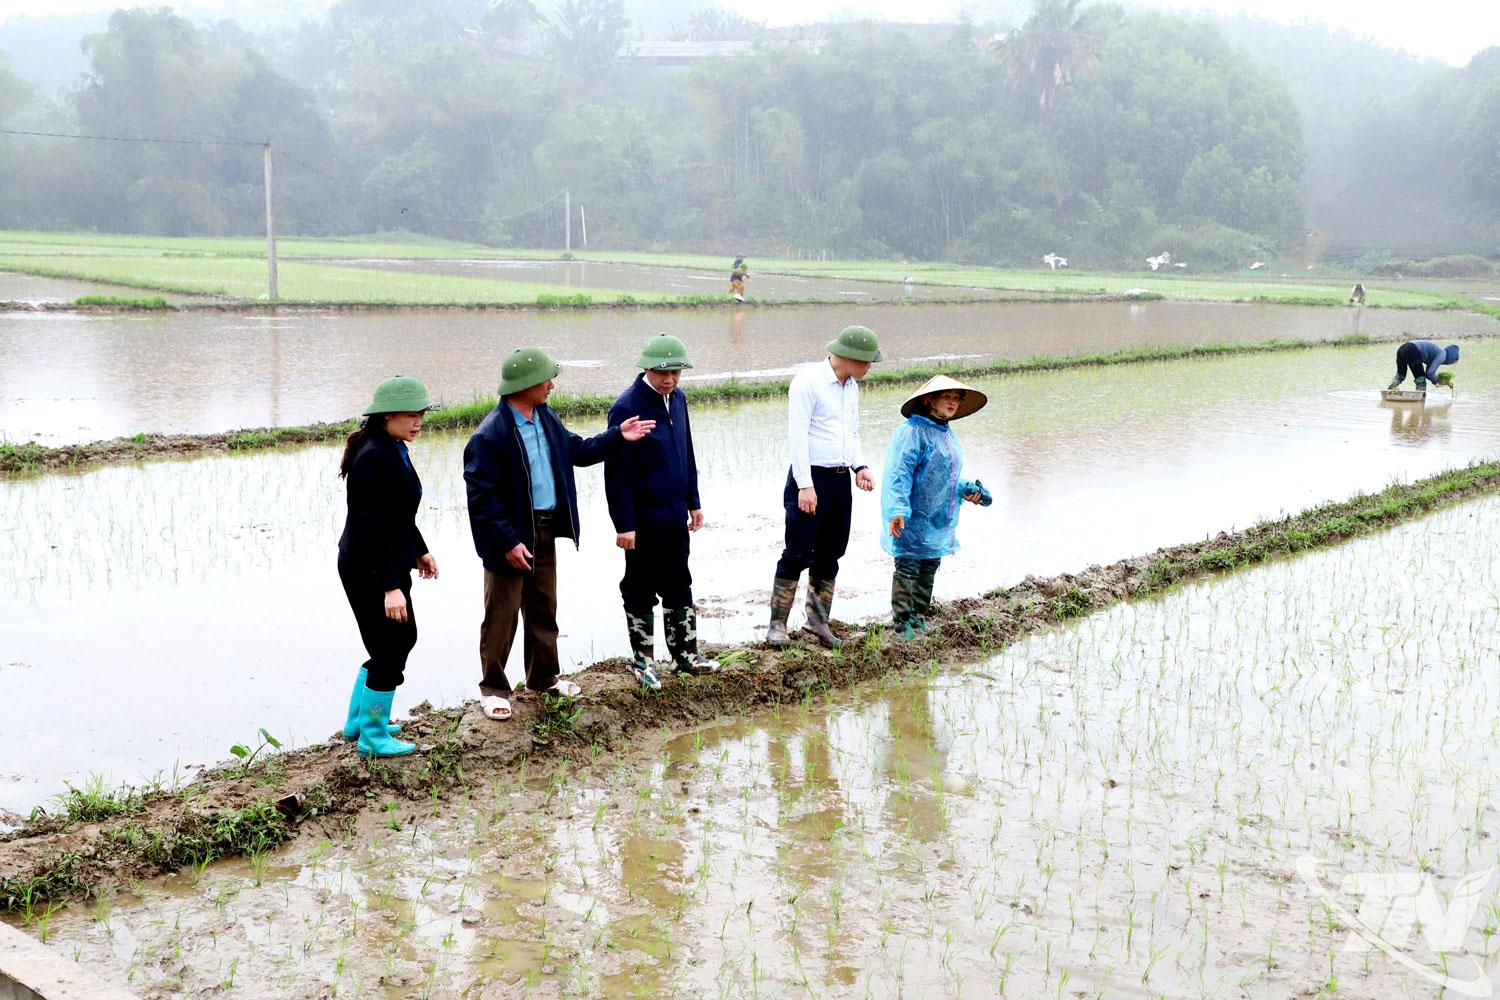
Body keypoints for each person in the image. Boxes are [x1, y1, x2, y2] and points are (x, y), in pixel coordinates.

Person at [464, 347, 656, 721]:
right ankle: (494, 689)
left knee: (543, 606)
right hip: (510, 536)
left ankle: (543, 678)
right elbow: (482, 500)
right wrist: (507, 542)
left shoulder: (544, 417)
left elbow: (578, 451)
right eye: (547, 379)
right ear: (526, 384)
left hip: (544, 529)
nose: (552, 385)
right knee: (502, 615)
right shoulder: (491, 436)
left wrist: (618, 435)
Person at [605, 334, 720, 689]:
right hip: (642, 520)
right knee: (639, 588)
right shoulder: (628, 407)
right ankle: (644, 663)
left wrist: (694, 501)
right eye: (661, 372)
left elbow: (685, 452)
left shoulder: (678, 399)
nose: (669, 379)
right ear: (646, 368)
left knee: (679, 582)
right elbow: (617, 473)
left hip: (673, 516)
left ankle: (686, 656)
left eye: (675, 372)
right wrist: (624, 524)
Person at [337, 375, 439, 758]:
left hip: (386, 560)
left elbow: (398, 514)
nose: (418, 423)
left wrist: (420, 549)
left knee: (395, 641)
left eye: (421, 416)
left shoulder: (391, 446)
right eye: (411, 416)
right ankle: (372, 736)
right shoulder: (374, 458)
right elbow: (372, 526)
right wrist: (389, 586)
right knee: (393, 643)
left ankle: (360, 720)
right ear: (385, 416)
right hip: (369, 567)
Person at [766, 325, 884, 649]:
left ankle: (817, 622)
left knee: (831, 552)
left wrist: (860, 467)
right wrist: (805, 485)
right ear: (848, 357)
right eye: (867, 361)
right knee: (798, 551)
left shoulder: (851, 388)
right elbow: (797, 437)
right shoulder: (808, 382)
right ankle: (777, 626)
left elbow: (852, 433)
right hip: (810, 479)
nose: (869, 367)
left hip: (838, 480)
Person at [881, 376, 993, 640]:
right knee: (908, 566)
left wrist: (968, 489)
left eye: (957, 398)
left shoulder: (947, 433)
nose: (953, 403)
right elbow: (899, 474)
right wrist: (897, 509)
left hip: (937, 516)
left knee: (929, 565)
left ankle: (918, 616)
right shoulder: (911, 431)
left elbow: (948, 477)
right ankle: (901, 622)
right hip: (912, 514)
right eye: (947, 397)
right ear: (929, 399)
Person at [1388, 340, 1459, 391]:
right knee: (1421, 380)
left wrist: (1446, 382)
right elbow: (1430, 373)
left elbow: (1428, 375)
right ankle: (1419, 401)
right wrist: (1435, 383)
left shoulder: (1436, 353)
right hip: (1413, 349)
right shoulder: (1442, 355)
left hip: (1402, 348)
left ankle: (1389, 391)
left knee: (1400, 375)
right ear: (1452, 358)